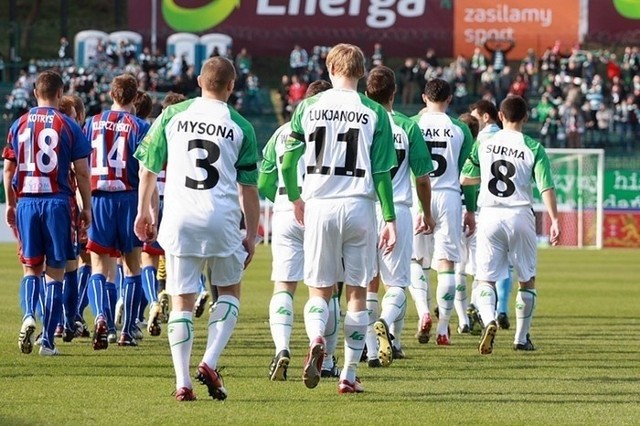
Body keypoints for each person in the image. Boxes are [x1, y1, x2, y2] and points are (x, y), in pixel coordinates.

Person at [134, 56, 260, 402]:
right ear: (232, 87)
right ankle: (210, 360)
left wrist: (143, 211)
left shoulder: (173, 115)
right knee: (230, 292)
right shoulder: (241, 126)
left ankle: (183, 382)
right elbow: (249, 188)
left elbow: (148, 168)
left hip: (180, 218)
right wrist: (251, 232)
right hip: (221, 218)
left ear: (200, 81)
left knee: (182, 302)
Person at [280, 43, 397, 394]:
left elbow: (287, 161)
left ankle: (317, 338)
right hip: (359, 206)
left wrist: (296, 197)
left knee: (319, 290)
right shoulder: (374, 111)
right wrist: (388, 217)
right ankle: (348, 374)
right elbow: (381, 172)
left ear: (330, 69)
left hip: (320, 204)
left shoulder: (308, 107)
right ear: (361, 72)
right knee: (357, 294)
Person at [461, 95, 560, 355]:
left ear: (501, 117)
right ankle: (520, 338)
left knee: (485, 278)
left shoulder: (484, 143)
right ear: (526, 118)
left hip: (490, 214)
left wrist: (484, 179)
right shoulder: (533, 147)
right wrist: (555, 220)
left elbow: (465, 178)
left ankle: (489, 318)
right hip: (520, 214)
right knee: (527, 280)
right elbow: (546, 187)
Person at [3, 70, 92, 356]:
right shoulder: (68, 125)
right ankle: (48, 342)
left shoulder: (19, 124)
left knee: (31, 268)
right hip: (58, 202)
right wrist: (87, 207)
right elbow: (81, 171)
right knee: (56, 272)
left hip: (27, 200)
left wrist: (11, 203)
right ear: (59, 93)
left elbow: (8, 168)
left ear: (34, 93)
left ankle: (29, 314)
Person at [258, 79, 335, 381]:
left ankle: (281, 348)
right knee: (326, 288)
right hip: (318, 209)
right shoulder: (331, 130)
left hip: (284, 210)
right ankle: (323, 352)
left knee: (283, 285)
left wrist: (282, 200)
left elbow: (264, 181)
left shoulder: (279, 133)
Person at [363, 66, 435, 368]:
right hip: (400, 210)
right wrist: (427, 213)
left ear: (368, 93)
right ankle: (387, 323)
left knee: (367, 284)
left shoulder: (361, 123)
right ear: (394, 93)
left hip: (365, 209)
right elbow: (422, 177)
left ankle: (368, 347)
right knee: (396, 285)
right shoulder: (407, 126)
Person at [84, 74, 150, 349]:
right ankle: (127, 330)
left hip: (98, 197)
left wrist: (82, 203)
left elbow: (81, 164)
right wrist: (147, 210)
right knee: (133, 266)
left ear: (111, 95)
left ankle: (102, 317)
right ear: (136, 98)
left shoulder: (92, 123)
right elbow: (147, 171)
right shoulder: (141, 126)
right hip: (129, 197)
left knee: (99, 266)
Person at [410, 78, 477, 346]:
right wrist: (470, 210)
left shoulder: (412, 124)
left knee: (417, 261)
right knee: (447, 264)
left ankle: (423, 312)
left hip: (418, 194)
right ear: (449, 99)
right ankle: (442, 329)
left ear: (424, 98)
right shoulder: (461, 129)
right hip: (449, 196)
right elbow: (468, 175)